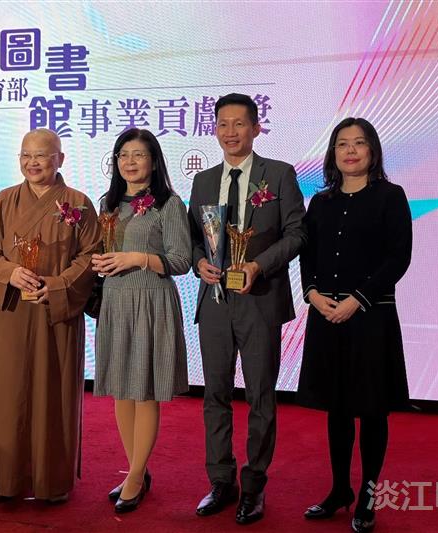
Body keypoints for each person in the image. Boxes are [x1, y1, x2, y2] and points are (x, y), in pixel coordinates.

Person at [188, 93, 306, 524]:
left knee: (260, 395)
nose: (230, 132)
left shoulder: (278, 175)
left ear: (257, 128)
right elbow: (194, 237)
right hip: (216, 303)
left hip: (259, 301)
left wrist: (259, 265)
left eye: (240, 124)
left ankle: (254, 484)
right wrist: (200, 261)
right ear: (214, 129)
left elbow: (296, 234)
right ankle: (221, 480)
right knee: (214, 394)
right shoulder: (203, 181)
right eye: (223, 124)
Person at [0, 128, 101, 504]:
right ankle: (4, 477)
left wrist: (58, 284)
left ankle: (51, 480)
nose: (33, 162)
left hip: (53, 313)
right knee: (5, 393)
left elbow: (90, 255)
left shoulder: (77, 203)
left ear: (59, 159)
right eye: (25, 155)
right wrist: (8, 272)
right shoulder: (5, 200)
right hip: (11, 310)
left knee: (52, 392)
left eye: (41, 155)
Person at [296, 117, 412, 533]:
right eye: (342, 144)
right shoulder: (321, 202)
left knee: (372, 409)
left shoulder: (390, 197)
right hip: (326, 314)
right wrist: (312, 293)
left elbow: (398, 258)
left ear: (372, 151)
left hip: (370, 317)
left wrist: (356, 300)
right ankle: (339, 489)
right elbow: (307, 255)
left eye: (359, 143)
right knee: (338, 408)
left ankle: (368, 495)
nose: (350, 151)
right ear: (333, 153)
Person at [91, 128, 192, 513]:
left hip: (151, 301)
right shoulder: (110, 203)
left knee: (145, 389)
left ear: (153, 160)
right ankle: (137, 470)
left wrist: (137, 258)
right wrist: (99, 263)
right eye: (123, 155)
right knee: (121, 387)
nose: (130, 162)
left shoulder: (169, 204)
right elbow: (104, 251)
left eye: (138, 155)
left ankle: (135, 476)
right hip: (116, 301)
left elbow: (180, 261)